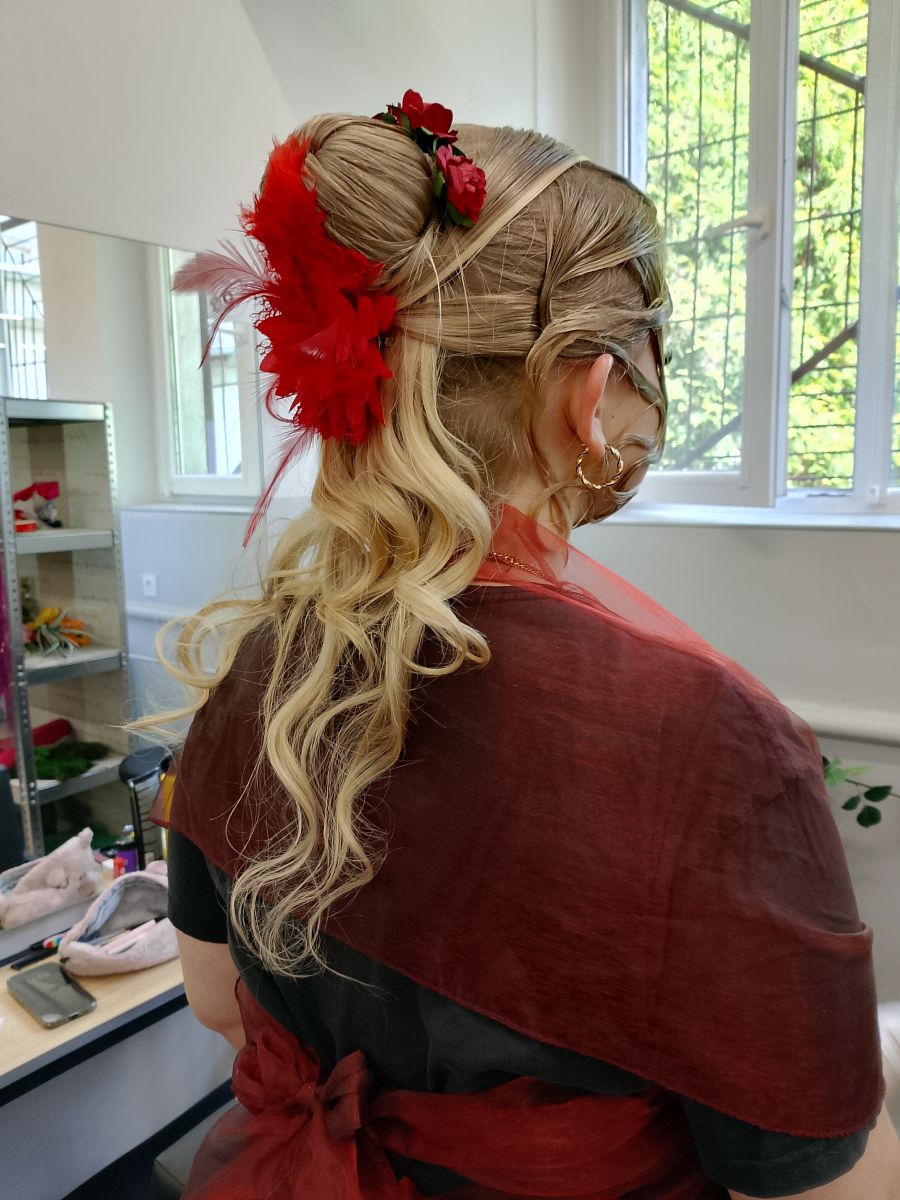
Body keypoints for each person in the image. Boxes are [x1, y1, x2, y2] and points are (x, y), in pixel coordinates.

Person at [137, 93, 900, 1199]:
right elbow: (809, 1176)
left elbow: (217, 1001)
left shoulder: (260, 673)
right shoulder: (708, 738)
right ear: (593, 391)